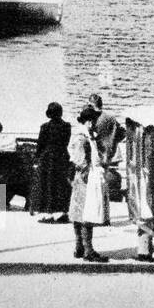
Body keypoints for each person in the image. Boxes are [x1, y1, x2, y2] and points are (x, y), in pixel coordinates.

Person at [69, 106, 110, 262]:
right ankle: (88, 250)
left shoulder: (82, 135)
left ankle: (79, 247)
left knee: (78, 214)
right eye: (93, 121)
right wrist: (87, 173)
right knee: (87, 214)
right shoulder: (82, 137)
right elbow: (80, 159)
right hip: (86, 179)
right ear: (89, 121)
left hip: (81, 178)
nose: (94, 124)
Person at [31, 102, 72, 223]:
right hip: (62, 156)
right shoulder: (67, 126)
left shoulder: (45, 127)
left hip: (47, 158)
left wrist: (37, 158)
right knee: (61, 185)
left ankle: (49, 213)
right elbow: (66, 142)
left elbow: (40, 145)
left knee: (47, 185)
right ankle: (62, 212)